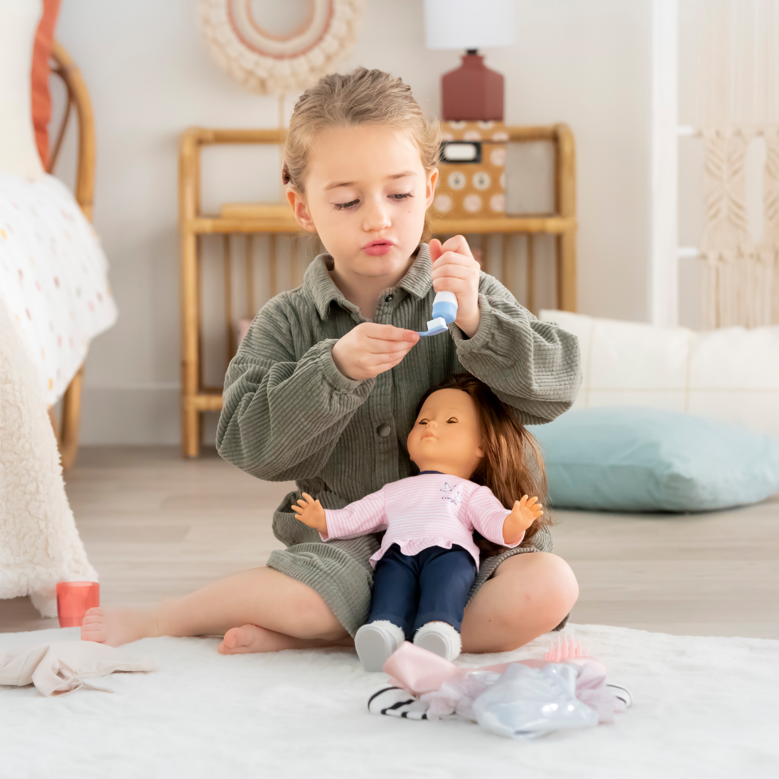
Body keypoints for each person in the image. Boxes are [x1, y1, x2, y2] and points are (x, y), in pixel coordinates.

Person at [81, 67, 581, 653]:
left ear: (430, 188)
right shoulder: (286, 321)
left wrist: (479, 322)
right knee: (303, 597)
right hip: (349, 548)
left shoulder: (467, 293)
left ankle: (355, 632)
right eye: (346, 200)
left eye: (398, 193)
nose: (377, 217)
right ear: (301, 207)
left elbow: (556, 389)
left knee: (549, 585)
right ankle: (170, 617)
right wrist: (332, 371)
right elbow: (247, 444)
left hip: (472, 541)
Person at [291, 374, 547, 670]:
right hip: (398, 554)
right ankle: (382, 632)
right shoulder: (395, 490)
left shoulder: (471, 492)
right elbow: (360, 515)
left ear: (482, 446)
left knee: (446, 588)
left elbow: (492, 522)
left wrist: (515, 522)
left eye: (452, 422)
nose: (432, 426)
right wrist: (324, 519)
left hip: (450, 553)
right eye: (423, 422)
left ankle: (439, 633)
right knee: (390, 589)